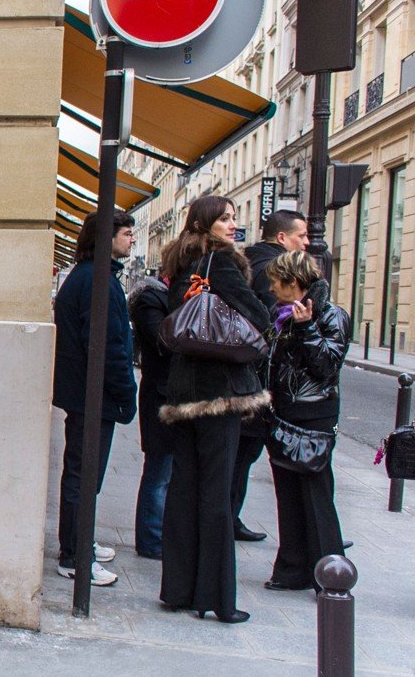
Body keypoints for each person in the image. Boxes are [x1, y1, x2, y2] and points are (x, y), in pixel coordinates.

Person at [157, 195, 271, 624]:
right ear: (205, 224)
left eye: (234, 217)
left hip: (183, 391)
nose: (232, 224)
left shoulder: (181, 264)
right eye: (225, 218)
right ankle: (218, 598)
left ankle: (179, 589)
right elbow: (257, 316)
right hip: (220, 390)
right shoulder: (221, 263)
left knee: (184, 489)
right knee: (217, 492)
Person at [52, 209, 137, 586]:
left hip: (84, 393)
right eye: (126, 232)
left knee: (84, 474)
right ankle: (74, 555)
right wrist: (125, 392)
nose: (132, 238)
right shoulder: (96, 280)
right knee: (84, 476)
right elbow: (107, 345)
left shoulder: (90, 276)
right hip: (91, 394)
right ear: (107, 237)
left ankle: (79, 543)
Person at [263, 251, 349, 592]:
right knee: (287, 494)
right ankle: (292, 569)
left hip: (313, 415)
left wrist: (307, 328)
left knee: (316, 494)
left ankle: (330, 572)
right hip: (282, 411)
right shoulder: (279, 313)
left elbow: (327, 367)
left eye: (275, 281)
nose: (270, 287)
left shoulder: (331, 315)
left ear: (293, 282)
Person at [231, 209, 309, 542]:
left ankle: (228, 516)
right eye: (300, 236)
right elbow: (271, 323)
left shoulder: (250, 261)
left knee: (242, 452)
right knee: (244, 451)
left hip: (245, 374)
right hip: (256, 378)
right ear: (281, 238)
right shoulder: (272, 270)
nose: (306, 242)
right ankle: (228, 518)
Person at [129, 272, 172, 560]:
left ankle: (158, 535)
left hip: (165, 394)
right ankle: (151, 538)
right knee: (158, 470)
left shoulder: (164, 300)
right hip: (159, 395)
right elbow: (163, 343)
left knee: (164, 471)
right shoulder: (151, 299)